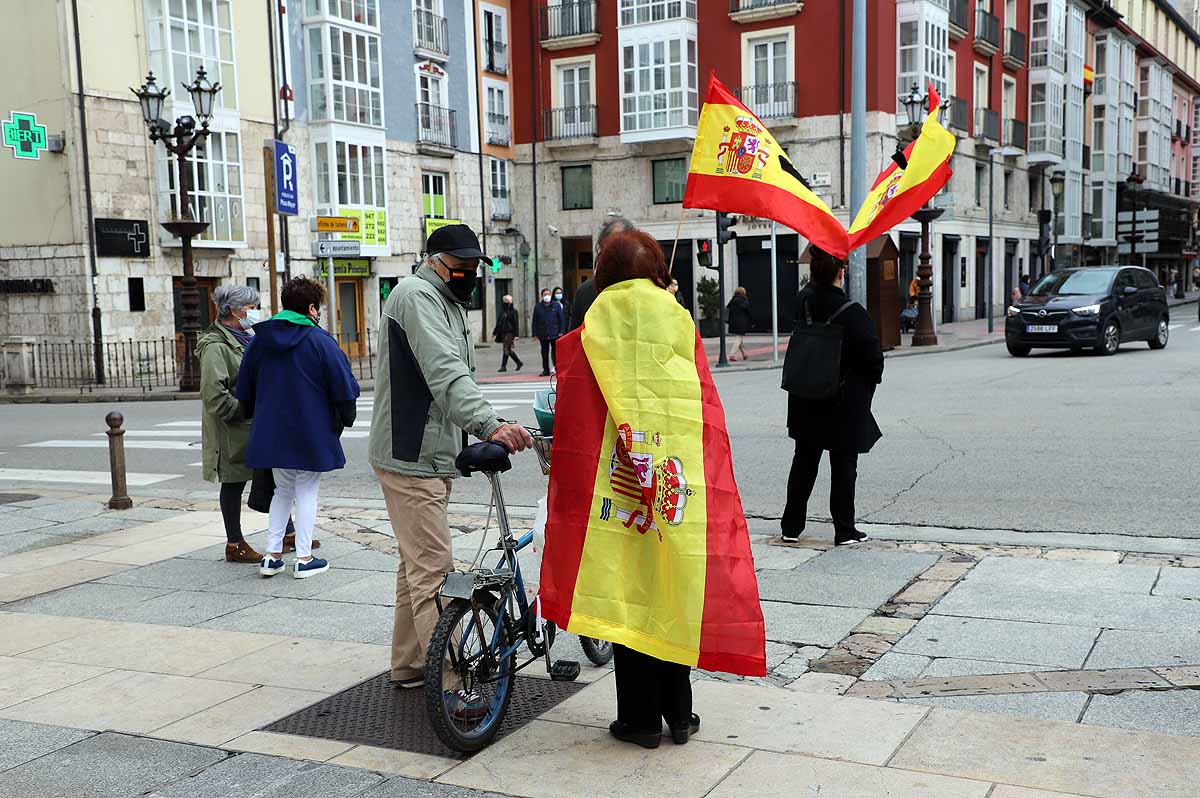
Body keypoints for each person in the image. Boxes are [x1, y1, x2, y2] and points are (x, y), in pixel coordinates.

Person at [369, 223, 532, 690]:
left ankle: (410, 663)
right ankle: (452, 680)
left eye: (473, 267)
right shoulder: (417, 297)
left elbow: (456, 378)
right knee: (435, 573)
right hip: (411, 455)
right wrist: (490, 426)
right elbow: (445, 372)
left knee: (414, 564)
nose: (468, 275)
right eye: (459, 267)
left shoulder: (445, 301)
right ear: (434, 261)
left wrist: (490, 417)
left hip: (426, 454)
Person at [236, 277, 360, 579]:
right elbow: (344, 388)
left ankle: (272, 555)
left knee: (281, 491)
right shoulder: (320, 341)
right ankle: (304, 557)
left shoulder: (261, 340)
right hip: (310, 429)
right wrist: (344, 419)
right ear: (312, 307)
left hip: (271, 430)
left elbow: (244, 387)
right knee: (306, 490)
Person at [781, 246, 884, 546]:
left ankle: (791, 527)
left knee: (804, 461)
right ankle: (844, 529)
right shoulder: (852, 312)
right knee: (843, 464)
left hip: (804, 395)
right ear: (841, 272)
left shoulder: (802, 302)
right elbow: (873, 357)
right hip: (841, 400)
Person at [197, 284, 262, 563]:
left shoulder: (245, 336)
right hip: (232, 428)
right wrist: (241, 410)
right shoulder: (215, 346)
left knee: (269, 475)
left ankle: (287, 530)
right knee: (233, 482)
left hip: (252, 424)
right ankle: (234, 542)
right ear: (235, 310)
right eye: (251, 307)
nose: (255, 312)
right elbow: (214, 394)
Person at [567, 217, 635, 332]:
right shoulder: (586, 292)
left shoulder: (651, 290)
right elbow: (574, 341)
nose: (618, 255)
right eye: (612, 248)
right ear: (600, 249)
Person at [532, 288, 566, 376]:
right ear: (541, 296)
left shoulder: (556, 305)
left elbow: (561, 319)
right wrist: (534, 334)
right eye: (545, 294)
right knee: (544, 352)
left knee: (555, 352)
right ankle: (545, 369)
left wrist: (561, 331)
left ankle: (556, 367)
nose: (547, 296)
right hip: (543, 333)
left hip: (554, 332)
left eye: (548, 294)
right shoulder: (538, 307)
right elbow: (534, 321)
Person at [493, 294, 523, 372]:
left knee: (506, 348)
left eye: (507, 301)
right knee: (507, 349)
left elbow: (516, 323)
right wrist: (495, 332)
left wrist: (516, 335)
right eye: (505, 301)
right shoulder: (502, 311)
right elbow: (499, 322)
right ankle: (518, 362)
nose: (506, 302)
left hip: (510, 332)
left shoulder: (513, 311)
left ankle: (504, 366)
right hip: (503, 332)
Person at [726, 286, 752, 361]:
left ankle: (745, 354)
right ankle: (732, 355)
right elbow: (748, 312)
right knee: (739, 338)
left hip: (733, 322)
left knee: (740, 338)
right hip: (742, 322)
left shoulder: (732, 301)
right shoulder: (744, 301)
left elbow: (728, 309)